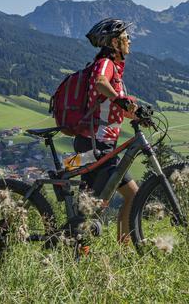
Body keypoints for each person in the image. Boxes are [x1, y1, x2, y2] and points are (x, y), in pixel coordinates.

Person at [74, 18, 138, 242]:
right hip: (96, 145)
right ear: (114, 42)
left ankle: (81, 248)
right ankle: (120, 248)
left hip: (100, 145)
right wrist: (119, 99)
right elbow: (101, 82)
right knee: (97, 204)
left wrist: (135, 113)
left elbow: (112, 105)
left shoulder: (116, 70)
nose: (129, 41)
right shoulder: (105, 63)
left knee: (90, 203)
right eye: (125, 38)